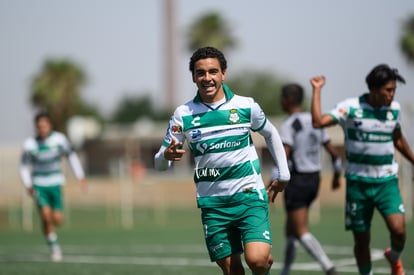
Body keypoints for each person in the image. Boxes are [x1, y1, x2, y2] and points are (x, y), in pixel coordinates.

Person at [154, 46, 290, 275]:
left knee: (256, 261)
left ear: (223, 74)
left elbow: (271, 133)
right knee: (232, 271)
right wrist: (166, 156)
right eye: (201, 73)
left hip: (249, 196)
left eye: (213, 71)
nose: (207, 78)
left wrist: (283, 174)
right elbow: (160, 163)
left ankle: (262, 258)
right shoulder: (183, 114)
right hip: (213, 205)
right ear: (194, 77)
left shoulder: (246, 106)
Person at [310, 64, 414, 275]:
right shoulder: (351, 108)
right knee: (362, 239)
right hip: (358, 185)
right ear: (374, 90)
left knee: (399, 231)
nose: (392, 94)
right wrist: (317, 90)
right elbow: (318, 122)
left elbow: (398, 140)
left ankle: (393, 258)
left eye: (394, 90)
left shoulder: (393, 110)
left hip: (387, 182)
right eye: (388, 90)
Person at [272, 83, 341, 275]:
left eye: (281, 98)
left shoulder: (289, 124)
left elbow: (283, 156)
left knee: (300, 230)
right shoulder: (316, 120)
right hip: (314, 179)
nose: (280, 101)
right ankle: (285, 271)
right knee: (291, 229)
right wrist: (336, 176)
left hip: (298, 180)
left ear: (287, 100)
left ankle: (328, 267)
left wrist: (273, 182)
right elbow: (334, 154)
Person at [19, 111, 87, 262]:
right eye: (39, 126)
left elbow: (71, 157)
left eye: (45, 125)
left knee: (57, 219)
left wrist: (80, 176)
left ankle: (50, 231)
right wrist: (28, 184)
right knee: (45, 215)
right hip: (39, 185)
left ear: (49, 125)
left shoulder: (59, 140)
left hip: (56, 183)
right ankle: (54, 247)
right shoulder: (30, 145)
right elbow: (23, 166)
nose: (42, 128)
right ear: (36, 127)